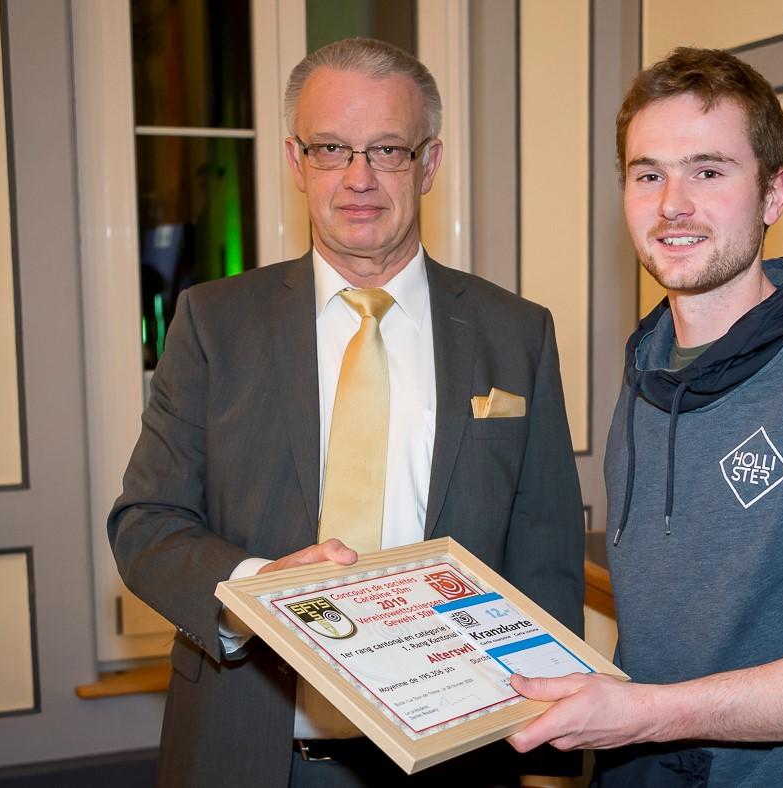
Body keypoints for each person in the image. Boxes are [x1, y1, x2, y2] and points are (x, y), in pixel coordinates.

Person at [109, 38, 584, 788]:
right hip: (250, 750)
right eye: (331, 148)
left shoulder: (516, 333)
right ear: (297, 163)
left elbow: (546, 557)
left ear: (427, 164)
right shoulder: (214, 323)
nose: (358, 178)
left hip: (459, 755)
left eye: (386, 149)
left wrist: (554, 762)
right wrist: (264, 592)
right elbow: (146, 524)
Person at [507, 47, 783, 787]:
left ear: (772, 194)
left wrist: (650, 712)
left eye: (708, 171)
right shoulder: (646, 370)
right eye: (647, 173)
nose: (671, 204)